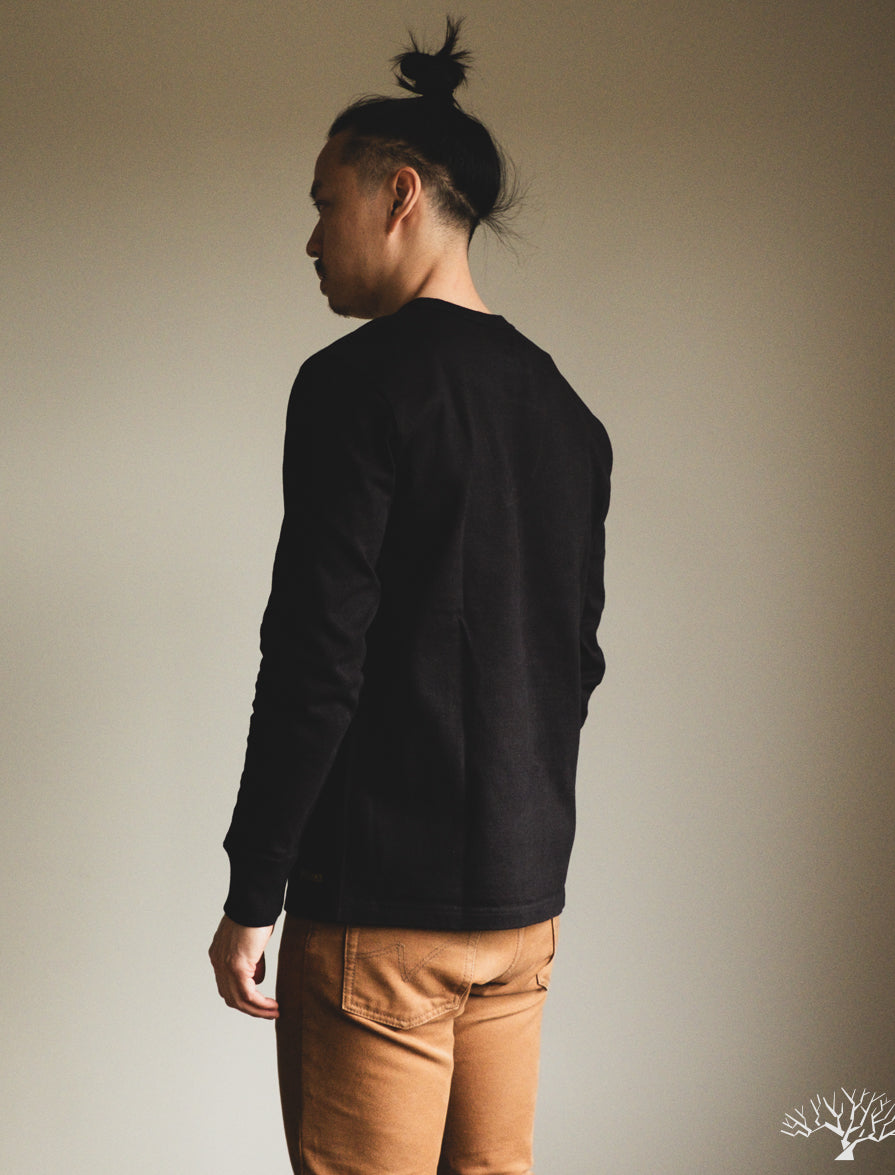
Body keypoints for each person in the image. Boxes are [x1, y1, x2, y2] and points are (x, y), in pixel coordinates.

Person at [209, 18, 611, 1175]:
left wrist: (253, 889)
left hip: (376, 916)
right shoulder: (564, 412)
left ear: (399, 195)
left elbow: (315, 654)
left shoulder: (353, 387)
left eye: (323, 202)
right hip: (522, 912)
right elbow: (572, 662)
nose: (310, 237)